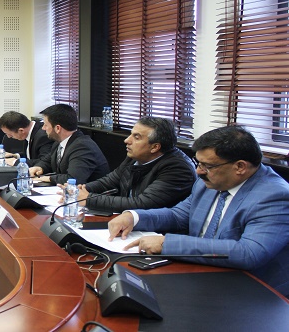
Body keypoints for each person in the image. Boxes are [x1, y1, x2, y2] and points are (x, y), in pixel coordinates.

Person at [108, 126, 289, 296]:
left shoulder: (274, 196)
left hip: (252, 290)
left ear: (240, 167)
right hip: (201, 273)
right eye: (199, 163)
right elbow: (179, 215)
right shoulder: (209, 182)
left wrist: (166, 244)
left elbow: (249, 252)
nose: (198, 171)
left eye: (207, 166)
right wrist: (134, 217)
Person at [77, 117, 196, 212]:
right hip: (128, 222)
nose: (127, 140)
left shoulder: (178, 169)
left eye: (136, 137)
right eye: (130, 134)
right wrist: (79, 190)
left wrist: (89, 199)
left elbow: (142, 204)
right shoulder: (135, 157)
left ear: (155, 147)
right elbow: (109, 181)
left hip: (157, 231)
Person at [29, 104, 109, 185]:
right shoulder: (59, 142)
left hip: (89, 192)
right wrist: (39, 167)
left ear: (58, 128)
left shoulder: (83, 147)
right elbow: (48, 160)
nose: (43, 128)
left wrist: (47, 178)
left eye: (46, 125)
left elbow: (73, 179)